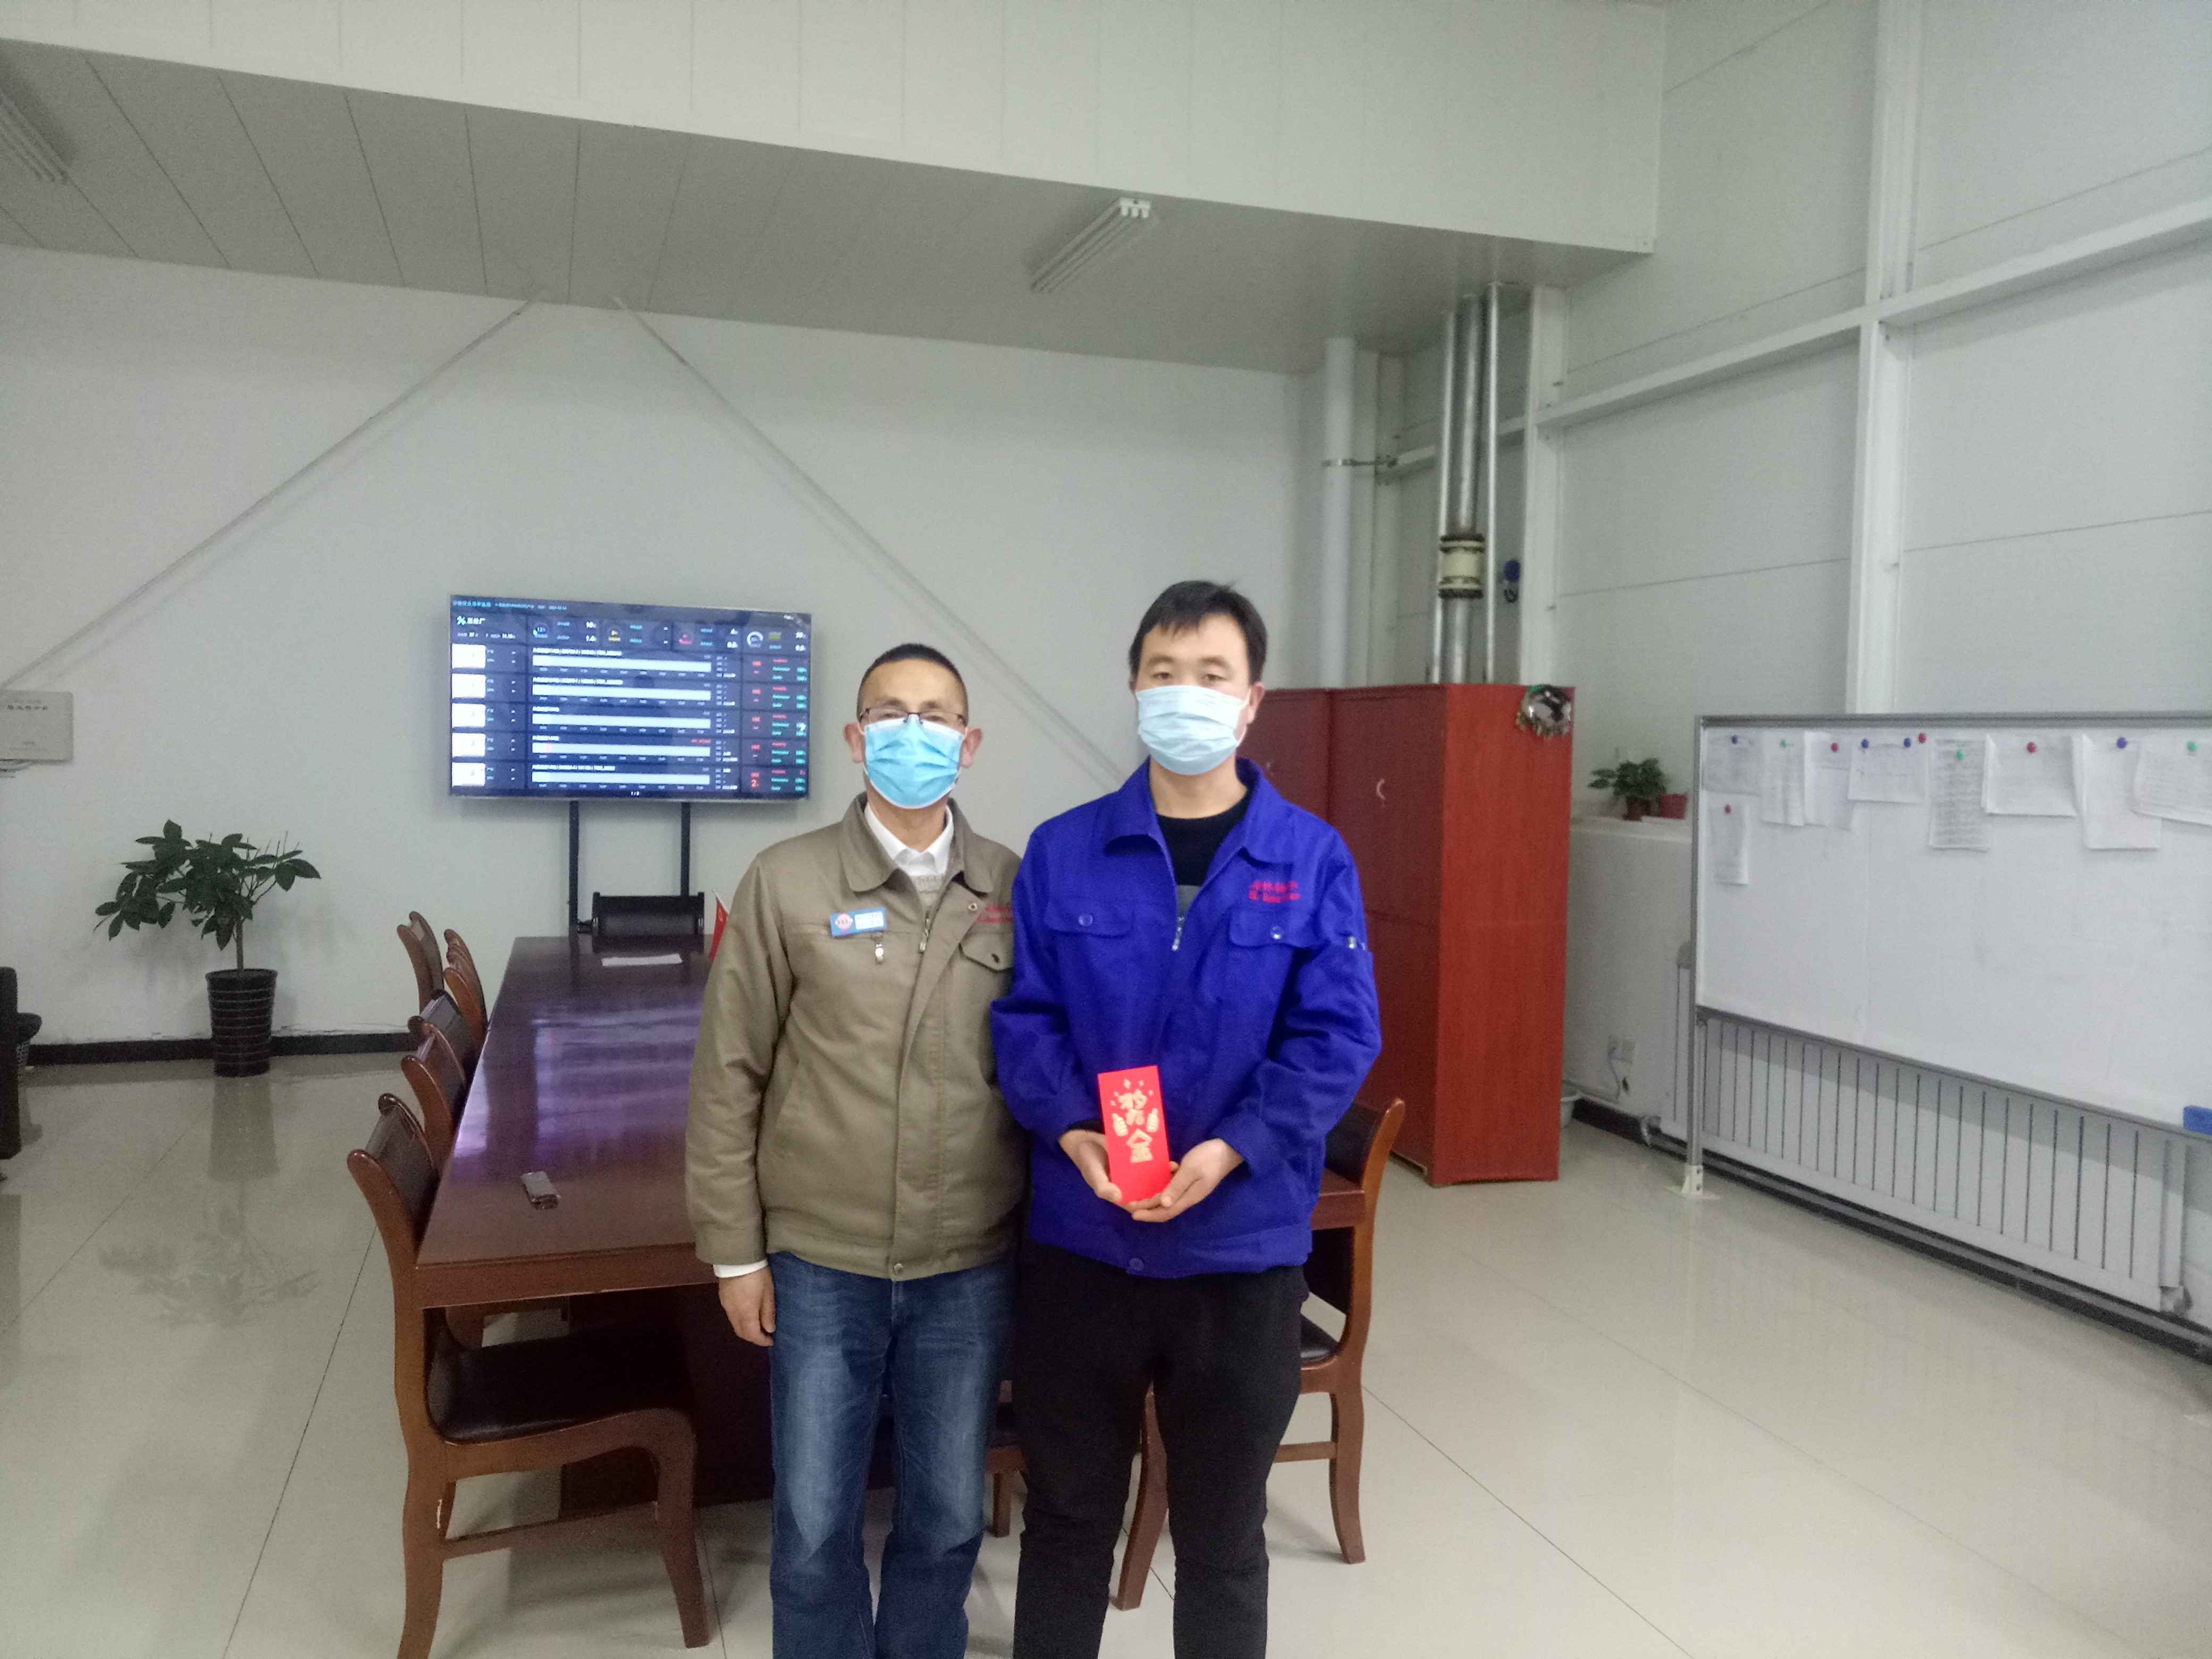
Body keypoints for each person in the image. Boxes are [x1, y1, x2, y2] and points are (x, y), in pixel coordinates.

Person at [992, 581, 1384, 1659]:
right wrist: (1072, 1129)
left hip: (1238, 1254)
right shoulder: (1065, 849)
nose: (1185, 694)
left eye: (1212, 675)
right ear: (1134, 688)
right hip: (1085, 1245)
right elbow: (1025, 1020)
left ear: (1251, 700)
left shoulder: (1309, 858)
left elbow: (1336, 1039)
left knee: (1221, 1536)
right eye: (1164, 674)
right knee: (1068, 1518)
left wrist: (1228, 1150)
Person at [688, 642, 1025, 1659]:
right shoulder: (786, 880)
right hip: (822, 1259)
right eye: (890, 713)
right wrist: (735, 1254)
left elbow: (1047, 1060)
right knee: (811, 1528)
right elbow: (729, 1073)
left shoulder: (1011, 886)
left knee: (947, 1518)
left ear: (969, 744)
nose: (913, 733)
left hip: (966, 1262)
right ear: (854, 736)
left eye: (937, 716)